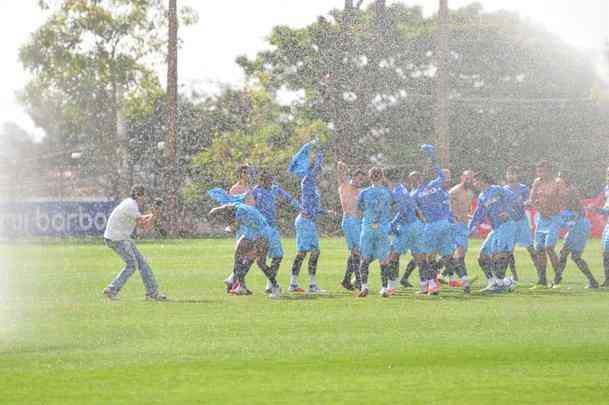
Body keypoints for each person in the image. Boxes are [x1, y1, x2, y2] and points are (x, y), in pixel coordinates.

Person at [102, 185, 167, 301]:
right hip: (117, 239)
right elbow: (144, 227)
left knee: (142, 263)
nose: (144, 198)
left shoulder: (129, 203)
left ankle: (152, 292)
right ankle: (112, 289)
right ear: (138, 195)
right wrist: (155, 215)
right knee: (132, 265)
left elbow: (141, 219)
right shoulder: (131, 206)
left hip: (120, 238)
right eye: (143, 195)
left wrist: (153, 215)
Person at [288, 141, 334, 293]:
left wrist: (326, 212)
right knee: (303, 252)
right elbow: (313, 170)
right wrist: (320, 153)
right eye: (317, 169)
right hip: (304, 222)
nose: (319, 171)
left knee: (314, 252)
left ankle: (310, 284)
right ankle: (294, 284)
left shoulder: (312, 185)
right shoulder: (307, 180)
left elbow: (313, 208)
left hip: (309, 222)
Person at [208, 203, 281, 298]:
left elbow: (234, 227)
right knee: (238, 255)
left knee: (260, 263)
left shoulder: (239, 212)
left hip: (262, 232)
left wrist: (227, 228)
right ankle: (242, 286)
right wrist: (215, 210)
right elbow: (226, 207)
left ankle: (276, 287)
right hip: (250, 231)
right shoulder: (235, 206)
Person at [410, 145, 454, 295]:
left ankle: (433, 284)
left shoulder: (415, 194)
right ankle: (460, 278)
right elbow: (442, 175)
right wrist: (433, 159)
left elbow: (414, 212)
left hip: (431, 226)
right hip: (444, 223)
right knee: (445, 254)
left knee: (427, 257)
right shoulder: (435, 185)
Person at [468, 172, 520, 293]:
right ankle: (494, 282)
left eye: (476, 180)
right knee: (482, 257)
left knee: (499, 255)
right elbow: (479, 214)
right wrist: (472, 227)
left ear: (482, 180)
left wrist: (509, 212)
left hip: (506, 225)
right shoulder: (481, 196)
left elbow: (514, 199)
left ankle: (501, 283)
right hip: (496, 229)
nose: (474, 183)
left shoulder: (497, 189)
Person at [250, 170, 300, 292]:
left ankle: (270, 284)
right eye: (268, 180)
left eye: (271, 180)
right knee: (261, 260)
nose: (270, 182)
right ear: (261, 181)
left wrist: (300, 207)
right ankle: (273, 284)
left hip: (272, 228)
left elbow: (289, 198)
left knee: (278, 256)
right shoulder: (255, 191)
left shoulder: (274, 189)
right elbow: (249, 207)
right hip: (260, 228)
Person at [553, 171, 598, 289]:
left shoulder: (569, 193)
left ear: (565, 180)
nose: (557, 181)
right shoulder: (568, 191)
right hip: (579, 224)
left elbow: (576, 212)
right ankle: (557, 280)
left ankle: (557, 280)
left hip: (579, 225)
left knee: (571, 255)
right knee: (567, 254)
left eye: (560, 179)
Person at [527, 160, 568, 289]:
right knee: (539, 248)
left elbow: (563, 199)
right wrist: (539, 208)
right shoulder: (537, 182)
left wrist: (554, 210)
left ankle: (558, 278)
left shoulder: (558, 182)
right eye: (538, 171)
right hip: (541, 218)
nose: (540, 174)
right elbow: (531, 199)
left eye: (542, 171)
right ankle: (542, 279)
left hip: (554, 218)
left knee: (549, 247)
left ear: (549, 171)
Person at [384, 168, 425, 296]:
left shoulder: (397, 191)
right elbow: (412, 206)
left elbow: (402, 211)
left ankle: (390, 288)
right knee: (419, 258)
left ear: (386, 178)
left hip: (407, 227)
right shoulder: (402, 187)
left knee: (391, 256)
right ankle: (428, 286)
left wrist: (393, 223)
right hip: (416, 225)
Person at [354, 167, 394, 297]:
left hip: (368, 228)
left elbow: (358, 211)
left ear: (369, 177)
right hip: (382, 228)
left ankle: (364, 286)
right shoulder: (387, 193)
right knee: (384, 260)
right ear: (382, 177)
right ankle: (384, 288)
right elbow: (391, 207)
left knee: (364, 258)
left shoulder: (364, 193)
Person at [337, 161, 366, 291]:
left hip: (358, 223)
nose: (360, 181)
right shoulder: (344, 186)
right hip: (349, 221)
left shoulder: (361, 191)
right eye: (359, 178)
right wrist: (341, 164)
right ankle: (359, 281)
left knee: (356, 252)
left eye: (362, 179)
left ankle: (346, 280)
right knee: (357, 252)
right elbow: (340, 172)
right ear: (353, 177)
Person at [504, 166, 536, 282]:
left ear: (517, 175)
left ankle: (541, 275)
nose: (511, 176)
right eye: (509, 173)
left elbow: (529, 201)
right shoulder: (503, 189)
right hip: (510, 223)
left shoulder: (523, 188)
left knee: (531, 248)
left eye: (513, 173)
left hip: (522, 221)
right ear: (506, 175)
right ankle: (515, 276)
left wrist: (526, 203)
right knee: (508, 251)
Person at [446, 169, 475, 293]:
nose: (469, 180)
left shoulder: (470, 192)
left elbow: (467, 208)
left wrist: (469, 216)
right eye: (467, 178)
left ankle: (446, 275)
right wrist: (454, 218)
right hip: (454, 226)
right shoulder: (454, 191)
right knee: (456, 254)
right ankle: (464, 281)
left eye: (471, 178)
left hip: (463, 226)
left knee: (456, 255)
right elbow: (448, 209)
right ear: (462, 178)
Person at [590, 166, 609, 288]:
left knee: (606, 252)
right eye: (607, 173)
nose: (607, 175)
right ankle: (607, 279)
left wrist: (597, 209)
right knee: (605, 252)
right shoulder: (607, 188)